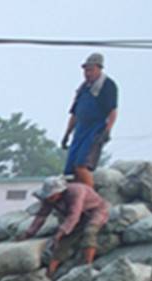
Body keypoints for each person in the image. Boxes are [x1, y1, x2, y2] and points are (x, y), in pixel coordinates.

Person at [26, 176, 110, 276]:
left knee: (89, 231)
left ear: (60, 192)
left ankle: (88, 265)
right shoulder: (49, 200)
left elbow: (74, 215)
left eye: (52, 197)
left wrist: (61, 231)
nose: (50, 199)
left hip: (96, 211)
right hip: (79, 216)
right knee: (63, 240)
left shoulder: (75, 192)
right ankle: (50, 271)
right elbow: (41, 215)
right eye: (49, 197)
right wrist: (29, 233)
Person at [62, 52, 118, 187]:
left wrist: (107, 131)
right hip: (80, 130)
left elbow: (112, 111)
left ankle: (91, 199)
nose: (87, 73)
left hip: (95, 130)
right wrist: (67, 134)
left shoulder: (107, 85)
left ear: (99, 69)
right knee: (70, 170)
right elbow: (75, 113)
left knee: (82, 165)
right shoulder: (83, 88)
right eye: (86, 70)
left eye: (91, 70)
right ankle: (76, 195)